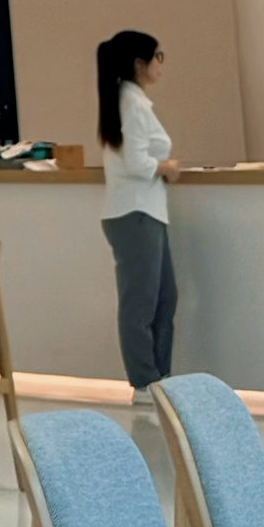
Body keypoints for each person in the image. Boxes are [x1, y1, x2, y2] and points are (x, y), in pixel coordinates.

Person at [97, 26, 178, 401]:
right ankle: (144, 382)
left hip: (145, 210)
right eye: (158, 57)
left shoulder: (131, 102)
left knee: (164, 297)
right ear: (139, 64)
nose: (161, 65)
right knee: (141, 303)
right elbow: (136, 161)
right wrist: (166, 167)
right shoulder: (131, 105)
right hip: (135, 212)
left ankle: (159, 377)